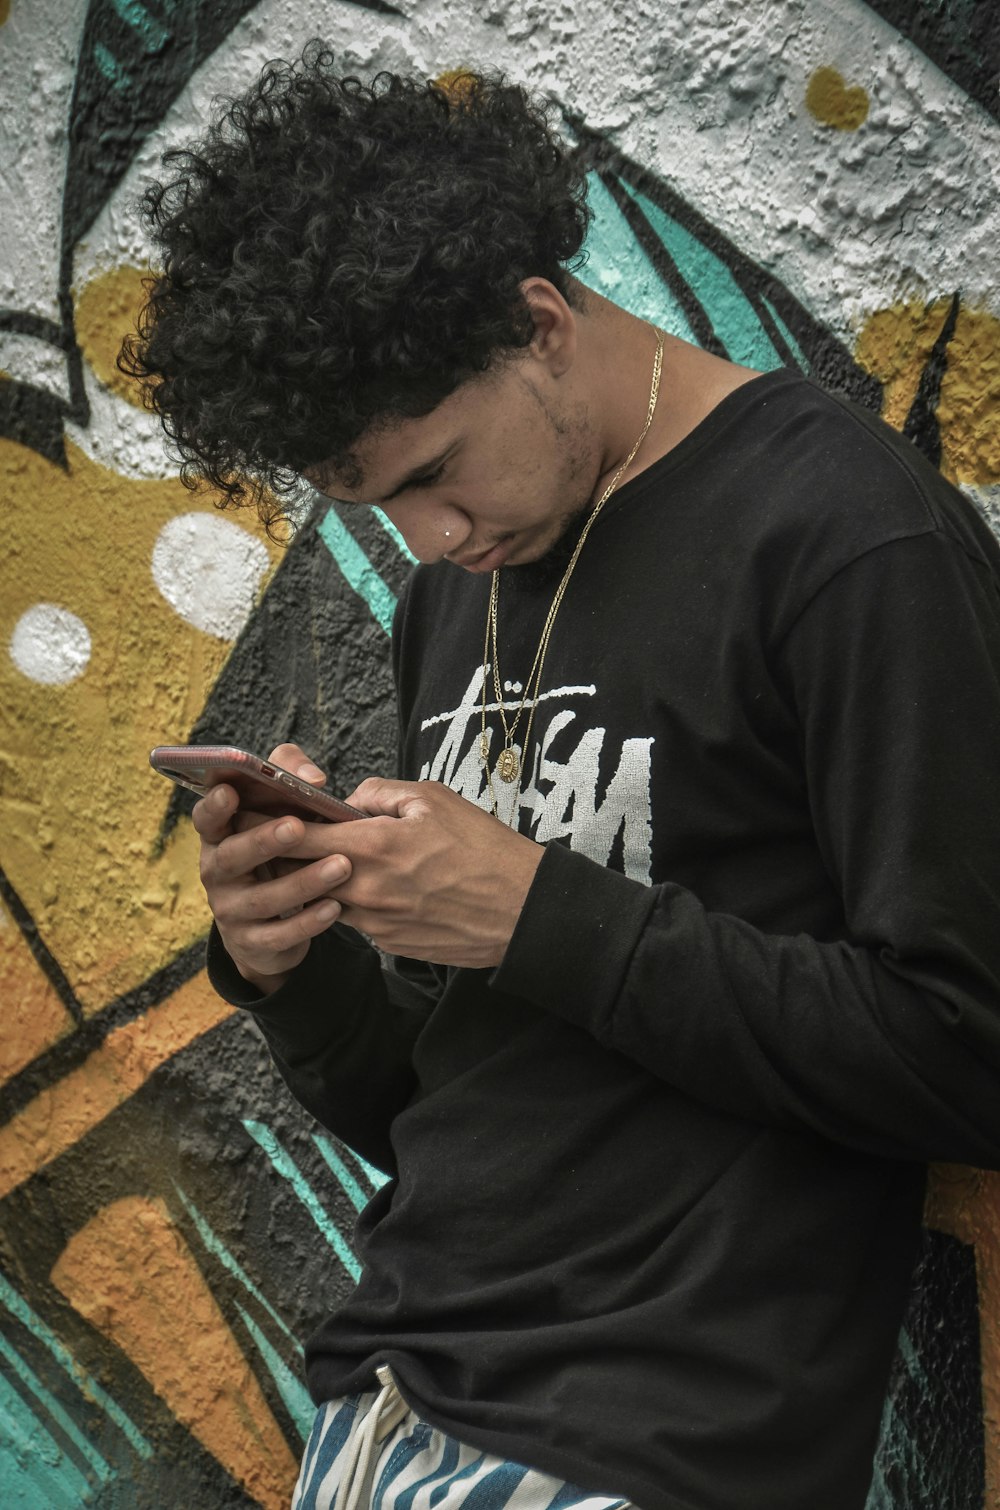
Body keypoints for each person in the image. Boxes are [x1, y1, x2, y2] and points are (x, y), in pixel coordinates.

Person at [121, 45, 1000, 1510]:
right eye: (377, 504)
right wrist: (295, 963)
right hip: (390, 1406)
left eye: (436, 472)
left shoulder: (844, 534)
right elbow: (452, 1092)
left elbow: (966, 1047)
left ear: (539, 322)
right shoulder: (460, 595)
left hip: (657, 1434)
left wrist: (537, 907)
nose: (428, 537)